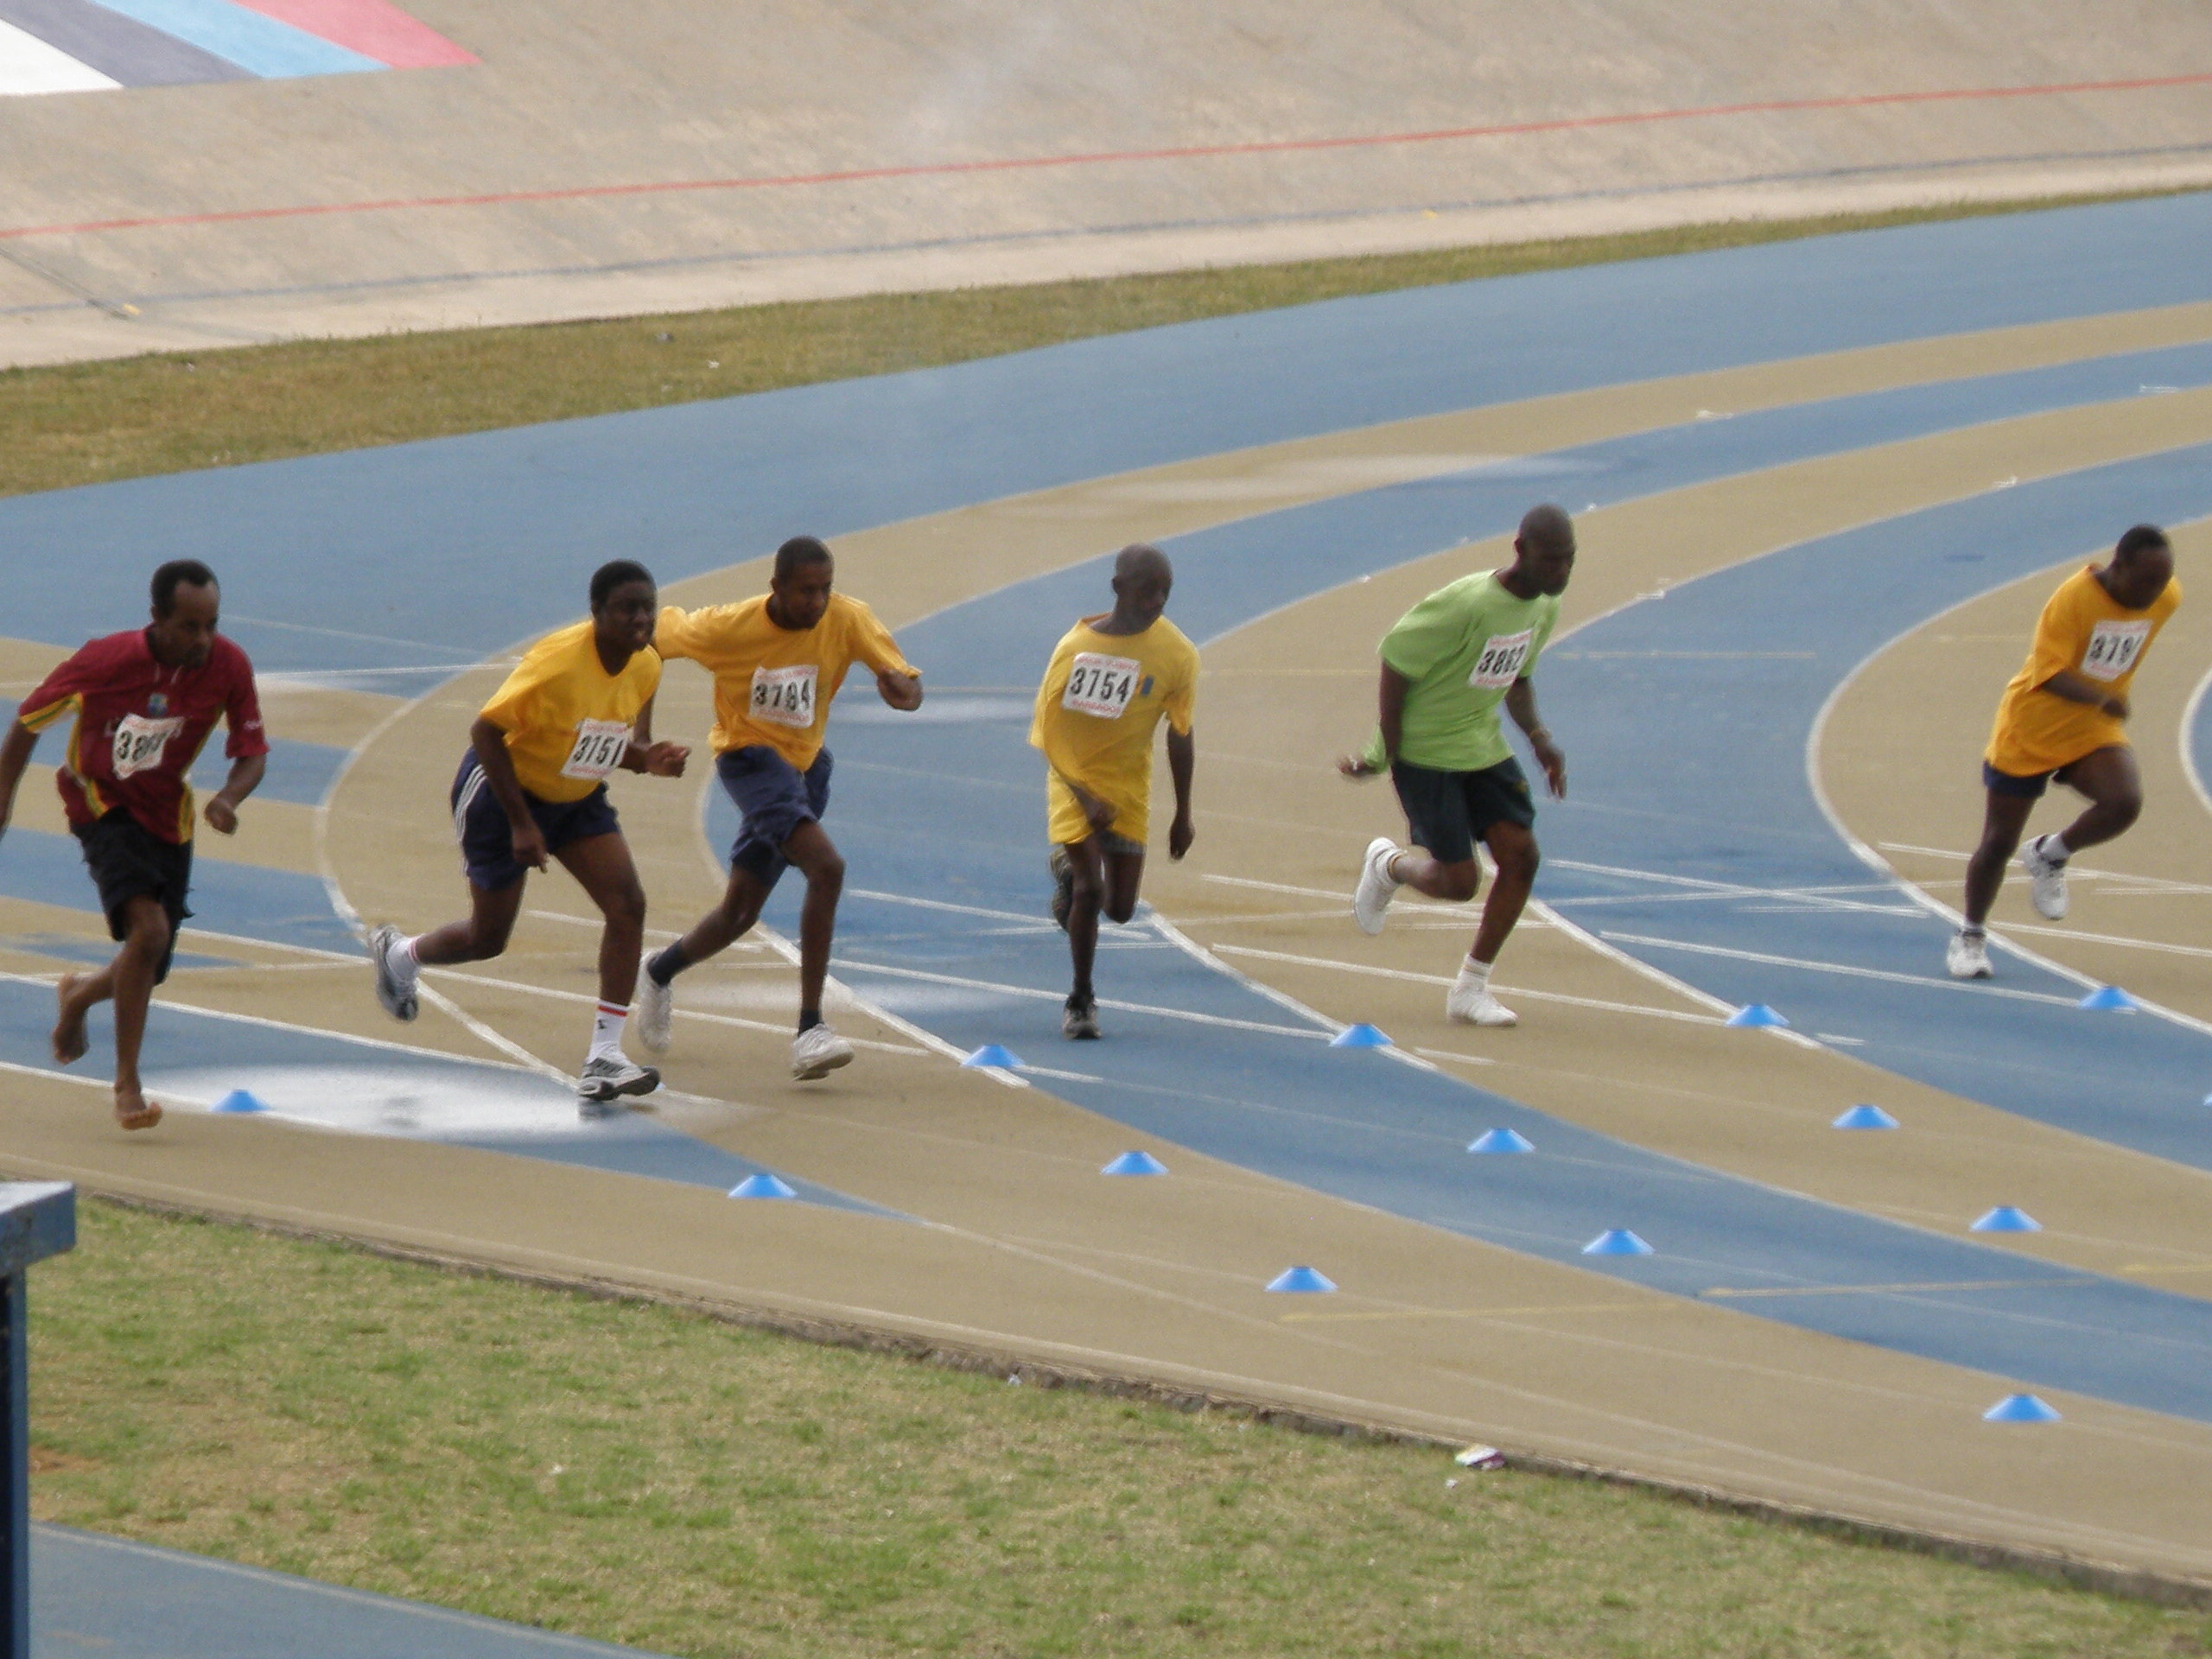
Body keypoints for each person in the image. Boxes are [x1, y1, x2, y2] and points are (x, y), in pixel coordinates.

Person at [367, 560, 689, 1110]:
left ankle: (605, 1056)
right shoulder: (558, 663)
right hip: (501, 794)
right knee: (487, 939)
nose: (641, 619)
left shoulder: (647, 666)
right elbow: (486, 731)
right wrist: (520, 823)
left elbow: (610, 743)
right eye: (627, 608)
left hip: (577, 797)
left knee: (628, 904)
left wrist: (648, 760)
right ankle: (400, 955)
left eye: (647, 608)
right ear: (597, 615)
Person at [635, 536, 922, 1080]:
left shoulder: (846, 618)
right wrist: (643, 737)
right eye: (805, 591)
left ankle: (659, 971)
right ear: (776, 588)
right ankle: (810, 1028)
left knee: (740, 912)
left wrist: (902, 690)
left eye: (824, 590)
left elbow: (905, 682)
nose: (816, 602)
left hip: (806, 768)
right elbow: (648, 642)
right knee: (827, 867)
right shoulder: (727, 627)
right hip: (749, 758)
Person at [0, 560, 269, 1130]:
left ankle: (77, 997)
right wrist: (3, 798)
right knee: (148, 932)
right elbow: (28, 721)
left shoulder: (229, 665)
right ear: (156, 619)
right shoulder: (107, 660)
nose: (203, 640)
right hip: (100, 801)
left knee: (149, 959)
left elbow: (253, 752)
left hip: (169, 815)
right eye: (189, 627)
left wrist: (229, 799)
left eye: (211, 625)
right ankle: (127, 1084)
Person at [1338, 504, 1574, 1027]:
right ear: (1520, 551)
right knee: (1460, 882)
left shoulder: (1543, 607)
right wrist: (1386, 750)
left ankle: (1471, 988)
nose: (1561, 572)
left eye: (1568, 561)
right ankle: (1389, 866)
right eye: (1550, 560)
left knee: (1522, 857)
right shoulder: (1465, 604)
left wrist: (1539, 739)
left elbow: (1517, 678)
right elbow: (1397, 660)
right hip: (1425, 754)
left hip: (1481, 748)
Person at [1948, 524, 2179, 979]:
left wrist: (2101, 704)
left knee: (2124, 802)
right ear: (2119, 565)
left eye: (2161, 582)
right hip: (2030, 729)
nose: (2155, 594)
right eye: (2145, 581)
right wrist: (2101, 695)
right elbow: (2048, 672)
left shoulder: (2166, 599)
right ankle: (1970, 937)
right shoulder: (2073, 599)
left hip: (2089, 731)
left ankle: (2052, 854)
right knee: (1998, 842)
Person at [1031, 544, 1198, 1039]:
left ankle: (1067, 875)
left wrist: (1183, 813)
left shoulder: (1177, 654)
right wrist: (1083, 795)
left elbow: (1182, 732)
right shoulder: (1075, 651)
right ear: (1119, 588)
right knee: (1092, 888)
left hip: (1127, 788)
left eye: (1166, 590)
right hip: (1073, 781)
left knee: (1121, 910)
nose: (1159, 600)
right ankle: (1081, 999)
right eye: (1148, 590)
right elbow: (1050, 733)